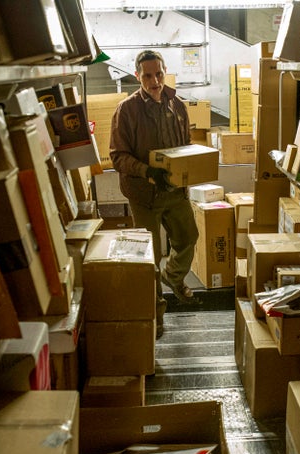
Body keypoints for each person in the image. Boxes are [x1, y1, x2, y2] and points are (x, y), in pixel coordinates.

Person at [110, 49, 199, 338]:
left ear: (164, 71)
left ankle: (172, 277)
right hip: (144, 195)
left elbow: (186, 145)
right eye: (147, 75)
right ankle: (155, 315)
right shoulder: (127, 110)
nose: (154, 80)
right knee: (149, 256)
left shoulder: (178, 105)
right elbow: (118, 157)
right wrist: (148, 172)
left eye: (158, 73)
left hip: (174, 192)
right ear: (138, 76)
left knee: (188, 237)